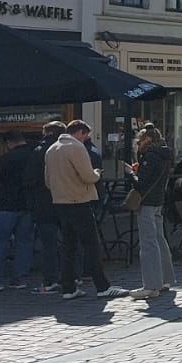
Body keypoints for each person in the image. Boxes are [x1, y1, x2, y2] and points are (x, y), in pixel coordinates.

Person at [46, 121, 126, 299]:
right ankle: (102, 286)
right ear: (80, 133)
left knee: (68, 246)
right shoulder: (76, 147)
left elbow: (47, 180)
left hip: (60, 202)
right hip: (79, 201)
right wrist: (97, 173)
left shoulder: (52, 149)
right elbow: (88, 176)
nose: (86, 139)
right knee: (91, 245)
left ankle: (68, 288)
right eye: (86, 135)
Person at [0, 131, 36, 293]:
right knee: (24, 242)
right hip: (27, 204)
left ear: (10, 143)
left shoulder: (7, 158)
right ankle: (19, 278)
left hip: (4, 204)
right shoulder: (34, 155)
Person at [126, 126, 176, 300]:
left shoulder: (150, 156)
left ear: (147, 139)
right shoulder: (164, 154)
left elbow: (141, 183)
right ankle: (166, 279)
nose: (137, 144)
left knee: (148, 243)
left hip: (147, 201)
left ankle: (152, 285)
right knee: (159, 239)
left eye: (139, 141)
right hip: (158, 200)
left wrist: (131, 174)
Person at [26, 122, 66, 295]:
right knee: (70, 241)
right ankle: (73, 276)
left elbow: (29, 179)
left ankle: (51, 280)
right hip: (66, 201)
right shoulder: (69, 150)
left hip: (43, 203)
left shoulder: (39, 151)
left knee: (48, 245)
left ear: (46, 133)